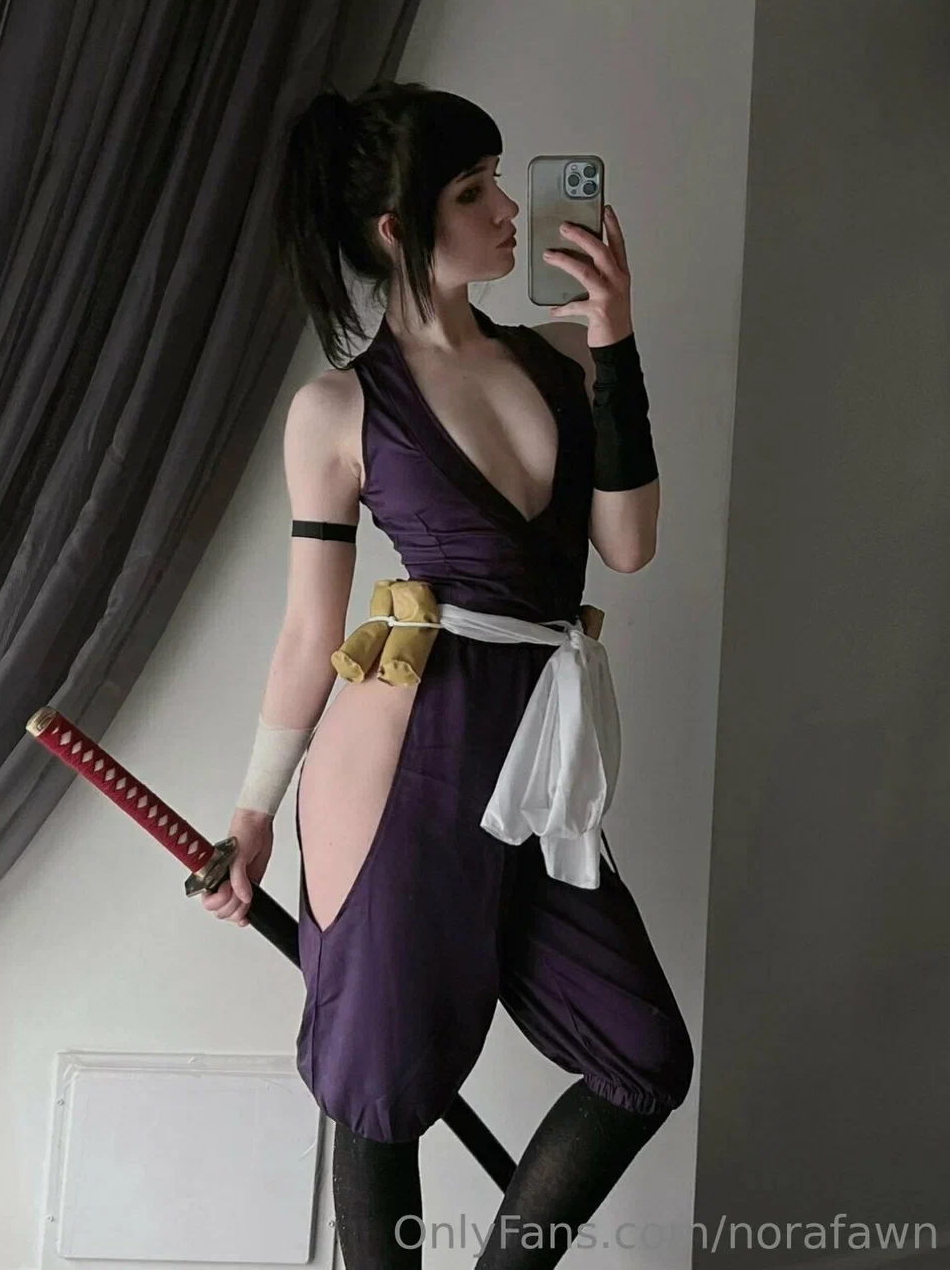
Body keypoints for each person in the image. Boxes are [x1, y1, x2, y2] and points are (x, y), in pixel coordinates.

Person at [200, 79, 693, 1268]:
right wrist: (252, 812)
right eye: (474, 191)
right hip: (401, 757)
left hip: (539, 758)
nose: (508, 209)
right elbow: (309, 631)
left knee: (642, 1053)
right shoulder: (336, 408)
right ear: (398, 228)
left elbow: (627, 544)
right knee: (376, 1086)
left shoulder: (565, 358)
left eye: (499, 180)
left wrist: (616, 336)